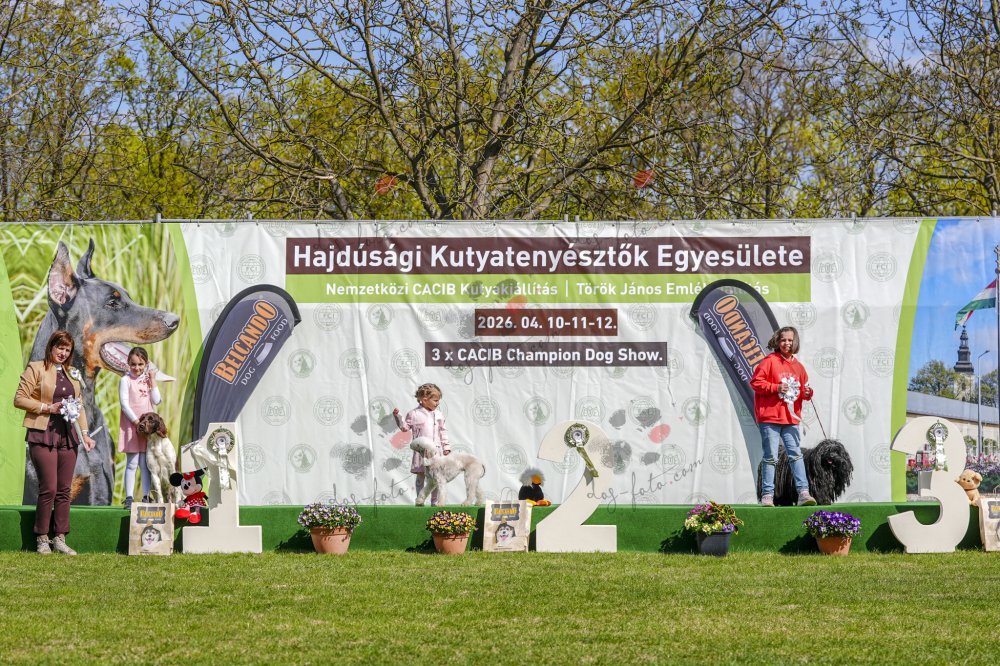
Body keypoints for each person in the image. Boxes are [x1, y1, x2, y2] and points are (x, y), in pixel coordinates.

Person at [14, 330, 96, 554]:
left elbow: (78, 406)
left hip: (68, 437)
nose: (63, 352)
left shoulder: (72, 373)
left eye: (67, 349)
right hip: (42, 434)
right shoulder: (36, 368)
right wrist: (47, 408)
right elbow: (19, 398)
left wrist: (85, 434)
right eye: (60, 347)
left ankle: (60, 538)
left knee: (63, 490)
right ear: (51, 347)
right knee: (48, 488)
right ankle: (42, 538)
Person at [750, 326, 817, 507]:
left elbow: (802, 391)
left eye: (790, 340)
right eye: (783, 340)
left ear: (795, 342)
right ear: (777, 342)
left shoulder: (799, 367)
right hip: (770, 418)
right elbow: (755, 382)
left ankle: (803, 493)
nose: (787, 343)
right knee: (771, 457)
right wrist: (776, 387)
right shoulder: (769, 361)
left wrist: (808, 393)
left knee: (796, 455)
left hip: (791, 418)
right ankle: (767, 496)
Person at [393, 383, 450, 505]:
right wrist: (398, 416)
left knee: (436, 477)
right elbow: (404, 428)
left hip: (436, 451)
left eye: (438, 400)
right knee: (420, 476)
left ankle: (435, 502)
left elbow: (443, 431)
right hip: (421, 452)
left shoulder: (439, 414)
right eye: (435, 400)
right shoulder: (413, 414)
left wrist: (446, 446)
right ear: (424, 400)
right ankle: (420, 500)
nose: (438, 403)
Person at [118, 347, 160, 509]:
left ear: (146, 364)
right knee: (132, 463)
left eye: (140, 364)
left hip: (147, 429)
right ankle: (129, 497)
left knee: (145, 464)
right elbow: (124, 404)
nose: (137, 368)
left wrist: (153, 381)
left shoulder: (147, 380)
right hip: (132, 425)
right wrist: (137, 422)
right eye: (133, 364)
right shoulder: (125, 380)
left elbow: (156, 400)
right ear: (128, 364)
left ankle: (146, 495)